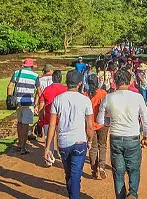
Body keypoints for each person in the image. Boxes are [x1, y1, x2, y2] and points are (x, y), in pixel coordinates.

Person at [97, 69, 147, 199]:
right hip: (132, 138)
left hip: (116, 138)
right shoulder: (137, 97)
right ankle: (132, 193)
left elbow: (100, 120)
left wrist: (109, 121)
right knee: (134, 169)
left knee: (118, 172)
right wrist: (145, 137)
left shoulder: (108, 98)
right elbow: (146, 121)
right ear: (129, 81)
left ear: (115, 82)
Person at [45, 70, 94, 199]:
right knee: (75, 175)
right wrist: (90, 141)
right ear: (79, 84)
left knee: (69, 175)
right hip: (79, 142)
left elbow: (52, 125)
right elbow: (90, 127)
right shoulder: (85, 100)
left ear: (66, 83)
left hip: (63, 142)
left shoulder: (58, 99)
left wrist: (47, 146)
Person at [7, 58, 39, 154]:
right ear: (31, 66)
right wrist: (36, 103)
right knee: (26, 124)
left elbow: (9, 86)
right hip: (28, 103)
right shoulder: (35, 75)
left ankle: (20, 143)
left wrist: (9, 98)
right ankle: (23, 148)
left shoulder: (17, 73)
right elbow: (39, 91)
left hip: (18, 102)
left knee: (20, 122)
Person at [37, 70, 67, 166]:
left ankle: (49, 158)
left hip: (48, 118)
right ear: (61, 79)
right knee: (61, 138)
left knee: (48, 138)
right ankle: (62, 156)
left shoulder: (47, 89)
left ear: (53, 79)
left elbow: (41, 105)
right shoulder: (65, 89)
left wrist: (40, 116)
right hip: (62, 118)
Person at [87, 73, 109, 179]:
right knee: (103, 145)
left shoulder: (85, 95)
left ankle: (94, 169)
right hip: (103, 123)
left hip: (90, 124)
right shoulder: (103, 93)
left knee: (93, 147)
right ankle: (102, 166)